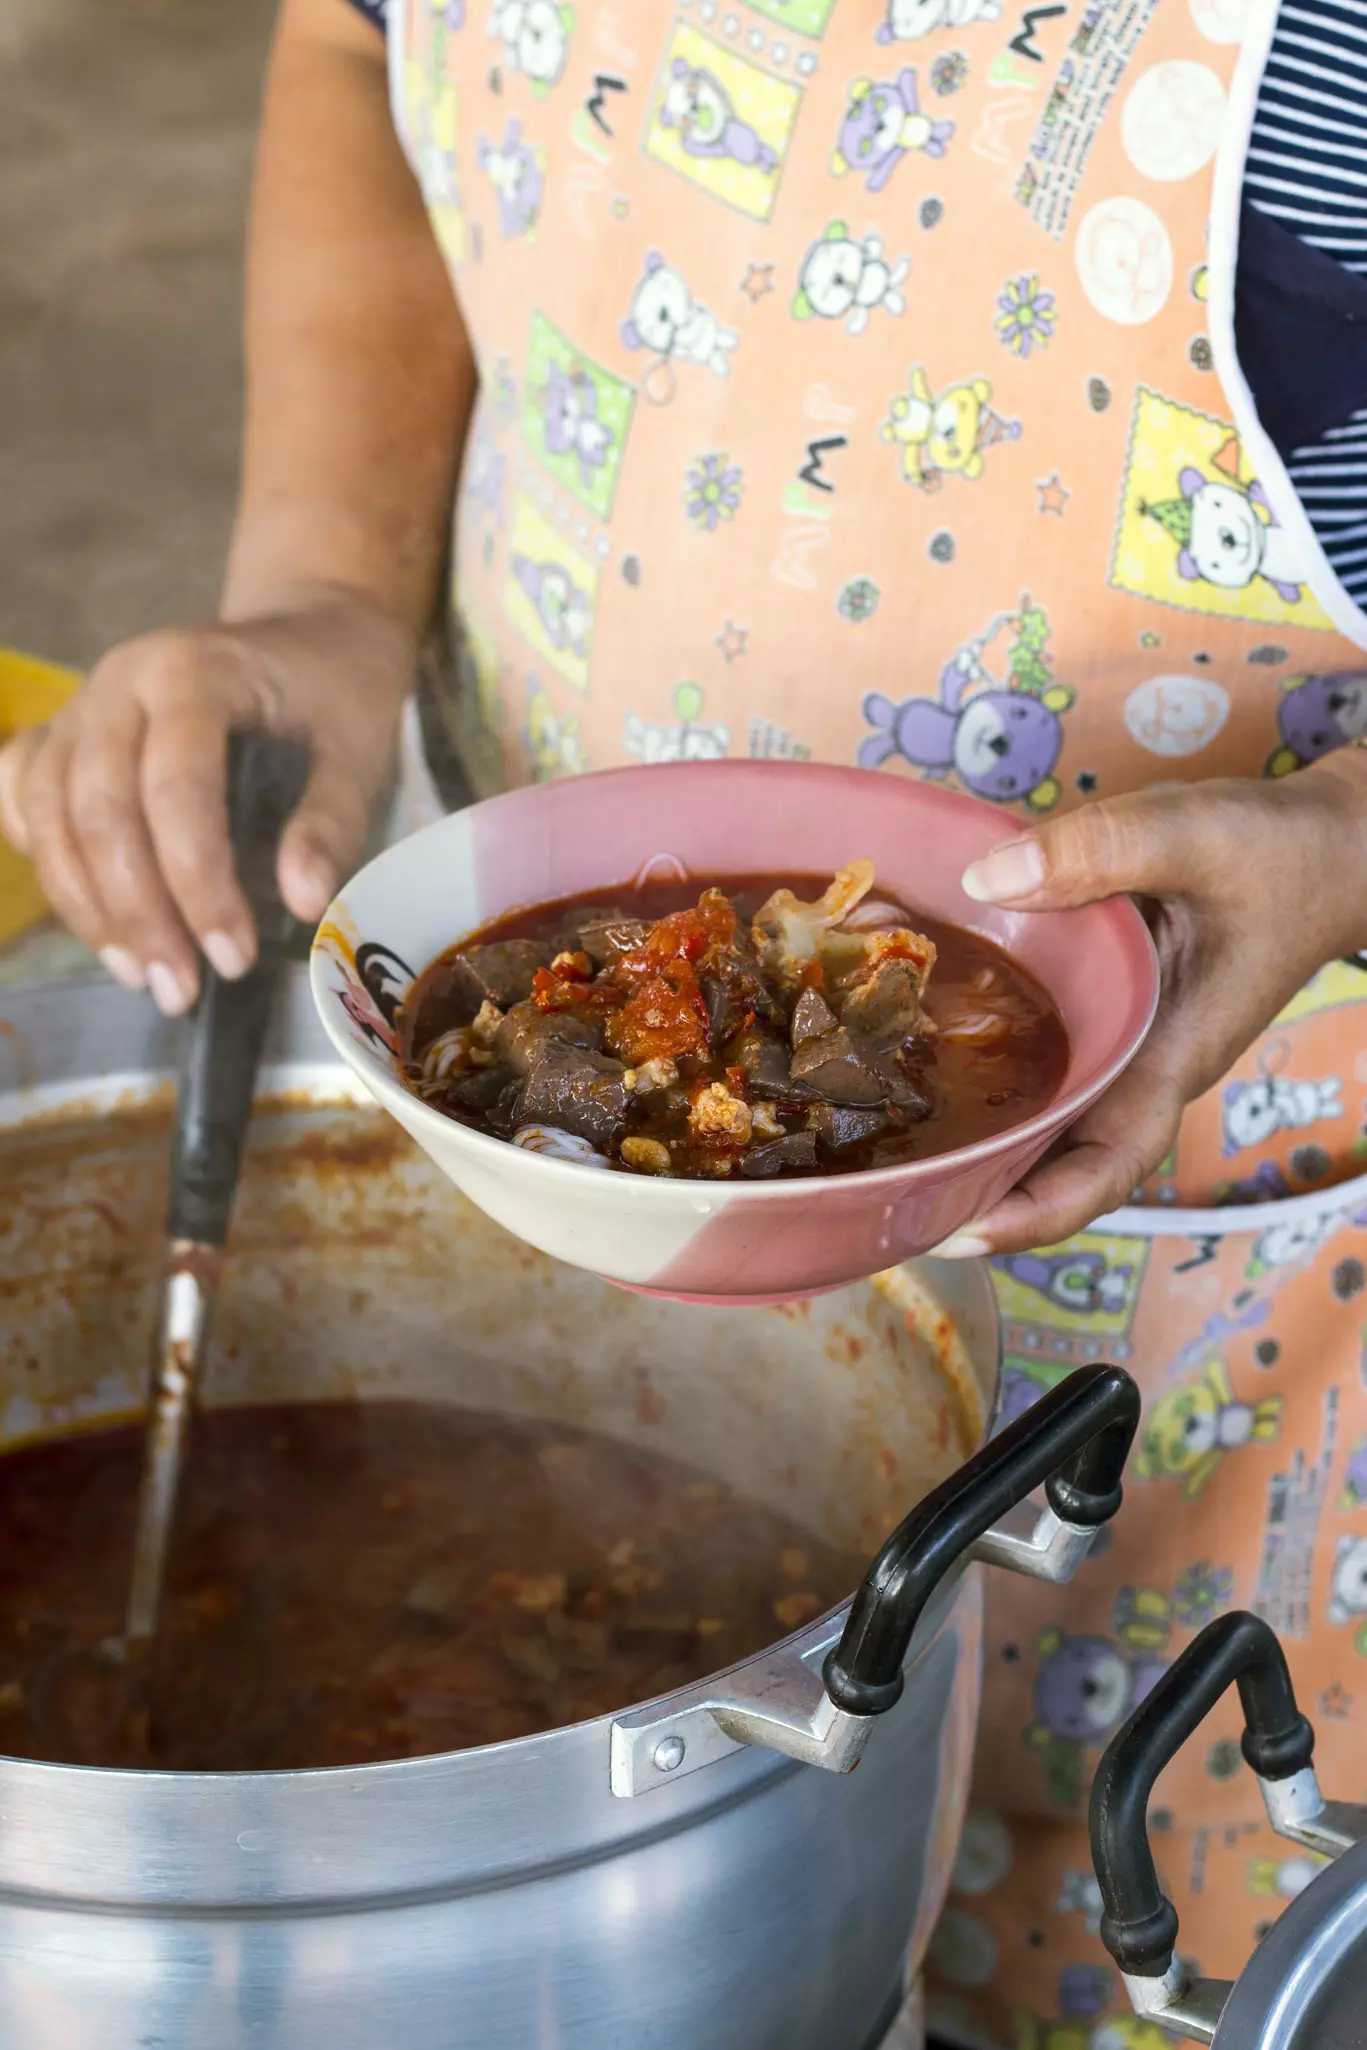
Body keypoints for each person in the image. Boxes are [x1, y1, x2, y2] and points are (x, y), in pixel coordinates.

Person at [3, 0, 1367, 2040]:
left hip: (1229, 1267)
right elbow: (349, 52)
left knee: (1149, 1951)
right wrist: (319, 594)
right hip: (543, 1159)